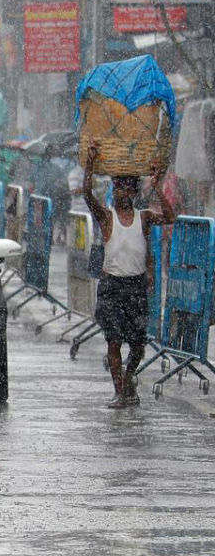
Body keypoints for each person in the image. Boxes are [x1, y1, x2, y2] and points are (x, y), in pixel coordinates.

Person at [82, 146, 176, 408]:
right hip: (112, 286)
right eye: (119, 188)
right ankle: (118, 391)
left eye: (127, 189)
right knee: (113, 341)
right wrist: (90, 165)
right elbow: (88, 195)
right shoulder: (106, 217)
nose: (122, 193)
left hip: (135, 287)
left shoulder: (143, 218)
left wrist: (156, 186)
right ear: (114, 191)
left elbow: (170, 217)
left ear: (134, 193)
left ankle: (128, 375)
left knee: (137, 345)